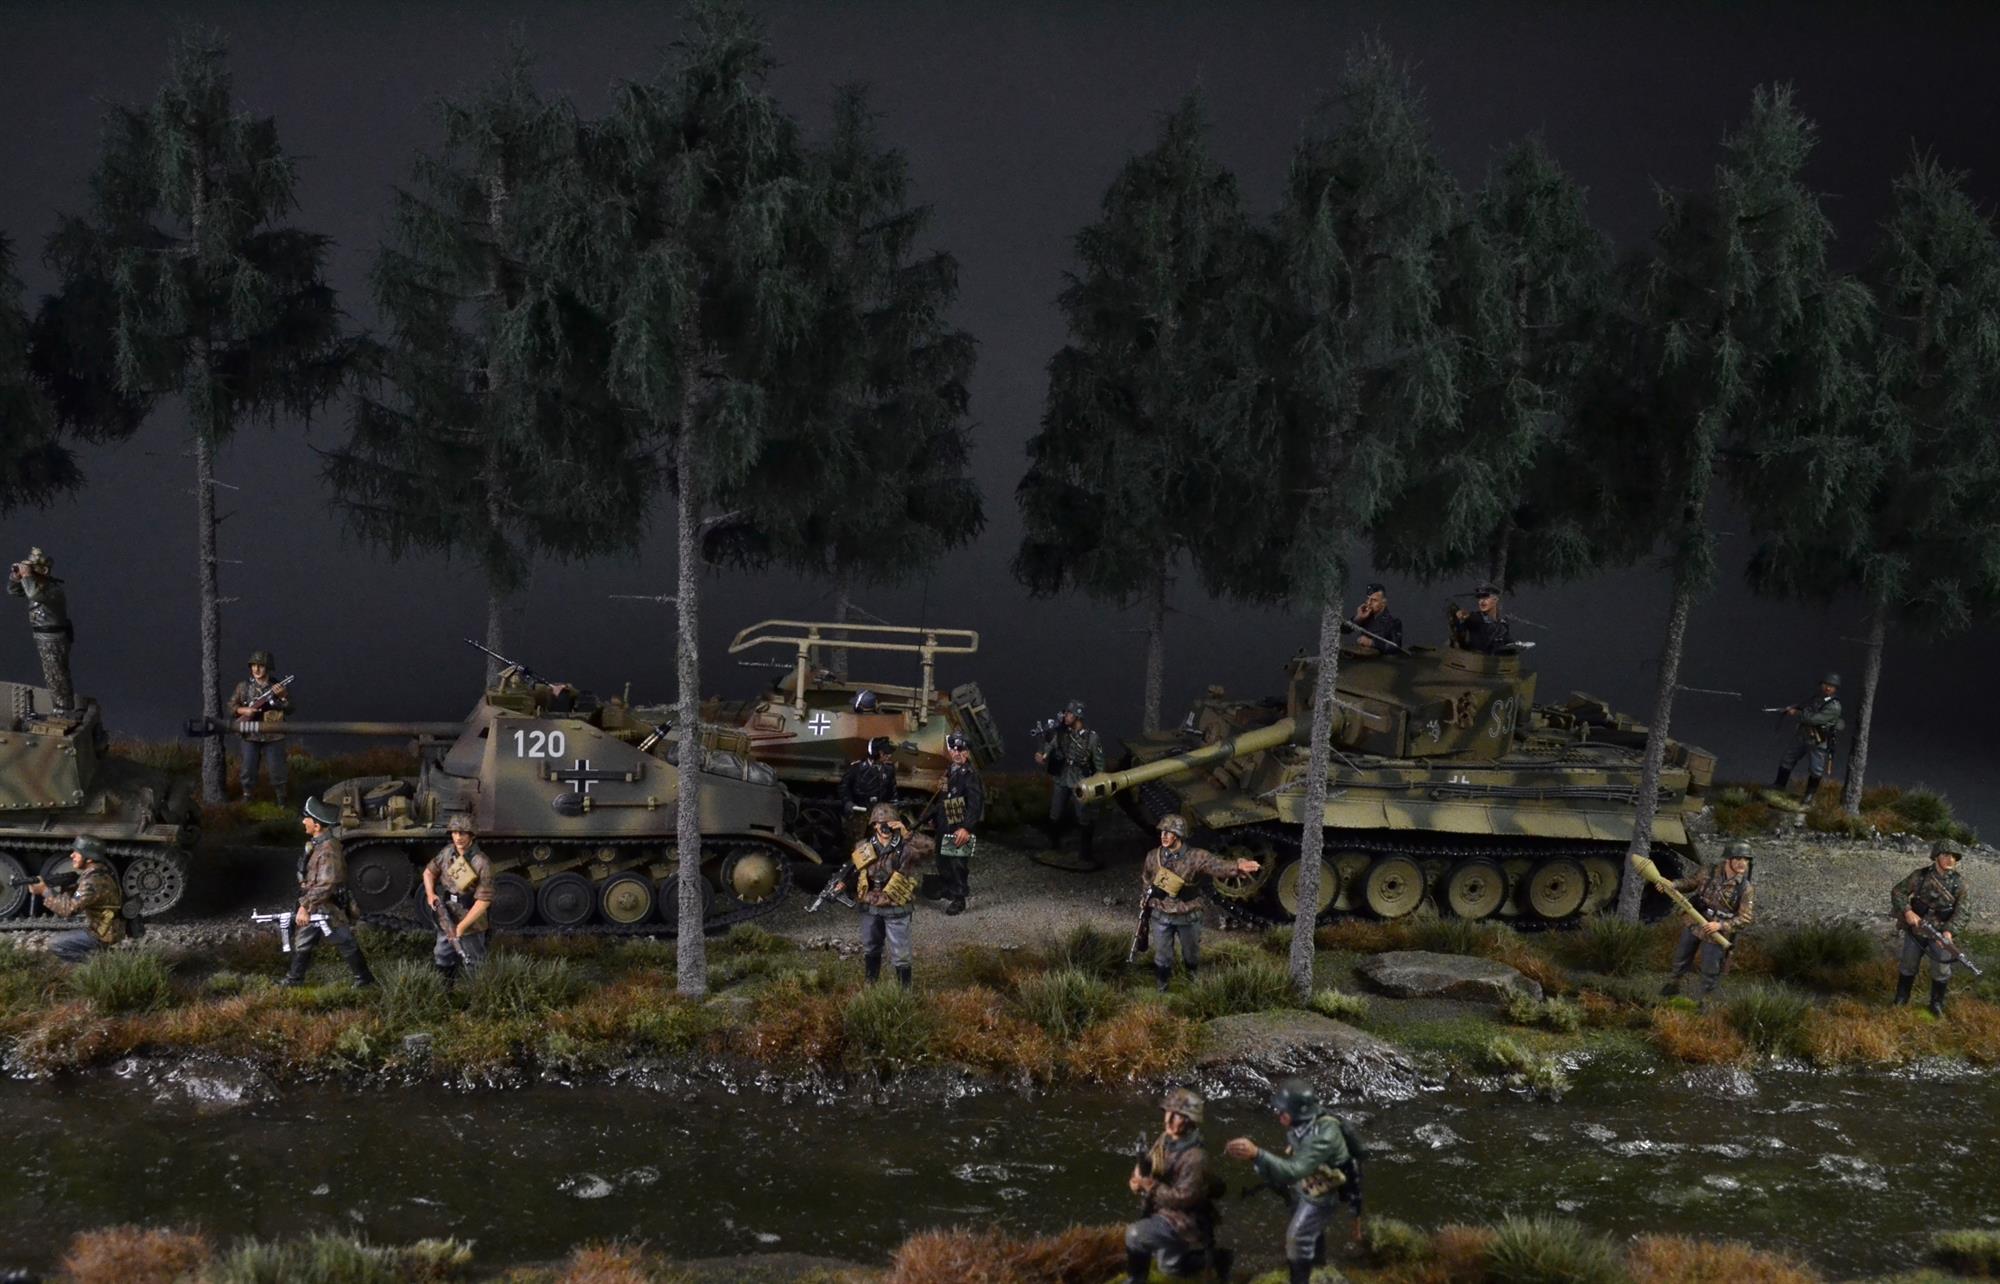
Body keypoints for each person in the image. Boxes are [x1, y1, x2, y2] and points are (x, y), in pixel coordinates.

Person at [1225, 1079, 1364, 1284]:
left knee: (1297, 1238)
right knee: (1300, 1215)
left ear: (1297, 1113)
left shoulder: (1323, 1136)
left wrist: (1257, 1154)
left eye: (1283, 1111)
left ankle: (1300, 1279)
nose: (1279, 1115)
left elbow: (1294, 1171)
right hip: (1309, 1182)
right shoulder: (1303, 1126)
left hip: (1325, 1191)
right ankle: (1316, 1264)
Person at [1123, 1086, 1231, 1284]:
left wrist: (1151, 1187)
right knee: (1171, 1267)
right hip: (1162, 1209)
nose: (1169, 1119)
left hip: (1184, 1218)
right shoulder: (1165, 1140)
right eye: (1168, 1112)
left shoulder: (1196, 1158)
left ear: (1189, 1121)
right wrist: (1137, 1177)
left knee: (1135, 1234)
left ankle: (1136, 1280)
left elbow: (1184, 1198)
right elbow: (1150, 1163)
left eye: (1177, 1115)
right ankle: (1217, 1259)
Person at [1143, 814, 1262, 992]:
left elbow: (1217, 866)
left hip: (1187, 914)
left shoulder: (1196, 857)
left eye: (1169, 832)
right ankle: (1162, 988)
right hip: (1161, 914)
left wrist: (1236, 866)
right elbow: (1146, 879)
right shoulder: (1154, 856)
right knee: (1162, 956)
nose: (1164, 836)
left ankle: (1192, 983)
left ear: (1178, 835)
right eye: (1162, 832)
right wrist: (1146, 899)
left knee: (1191, 954)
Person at [282, 795, 376, 988]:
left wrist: (304, 906)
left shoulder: (328, 850)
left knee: (344, 940)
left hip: (327, 906)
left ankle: (364, 979)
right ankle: (294, 980)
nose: (303, 822)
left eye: (307, 818)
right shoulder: (317, 845)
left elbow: (327, 884)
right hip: (315, 903)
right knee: (304, 940)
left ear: (317, 826)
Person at [850, 801, 935, 988]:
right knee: (870, 945)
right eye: (881, 823)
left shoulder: (907, 847)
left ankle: (904, 990)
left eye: (889, 823)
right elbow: (854, 870)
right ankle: (871, 983)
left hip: (896, 902)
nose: (885, 827)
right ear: (874, 825)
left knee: (900, 949)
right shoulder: (864, 846)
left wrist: (908, 835)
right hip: (870, 903)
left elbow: (930, 849)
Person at [1659, 840, 1755, 1003]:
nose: (1742, 863)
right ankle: (1673, 984)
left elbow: (1745, 918)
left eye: (1746, 859)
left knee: (1710, 968)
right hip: (1695, 921)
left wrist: (1721, 925)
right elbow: (1690, 883)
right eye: (1738, 858)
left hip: (1716, 932)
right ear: (1728, 859)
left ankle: (1705, 1000)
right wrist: (1673, 884)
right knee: (1681, 956)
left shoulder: (1745, 888)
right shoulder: (1709, 872)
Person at [1891, 840, 1969, 1017]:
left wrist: (1949, 932)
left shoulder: (1960, 884)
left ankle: (1936, 1003)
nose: (1950, 859)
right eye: (1946, 855)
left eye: (1954, 856)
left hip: (1940, 934)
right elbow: (1898, 892)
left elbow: (1963, 912)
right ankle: (1902, 998)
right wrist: (1908, 911)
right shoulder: (1920, 876)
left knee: (1941, 970)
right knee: (1908, 964)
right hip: (1917, 930)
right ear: (1936, 856)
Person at [1034, 699, 1106, 868]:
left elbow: (1100, 765)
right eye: (1066, 713)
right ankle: (1054, 847)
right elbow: (1050, 746)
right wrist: (1042, 755)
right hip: (1063, 777)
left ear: (1078, 717)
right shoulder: (1062, 733)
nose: (1065, 716)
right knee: (1055, 813)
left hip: (1081, 780)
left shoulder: (1092, 738)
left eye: (1069, 714)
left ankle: (1085, 854)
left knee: (1084, 817)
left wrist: (1098, 784)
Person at [31, 836, 124, 964]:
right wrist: (67, 887)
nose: (72, 855)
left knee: (55, 944)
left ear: (89, 858)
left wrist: (44, 891)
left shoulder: (91, 882)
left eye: (77, 853)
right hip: (109, 928)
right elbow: (80, 898)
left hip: (102, 934)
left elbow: (68, 910)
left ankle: (98, 963)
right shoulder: (102, 874)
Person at [423, 814, 493, 982]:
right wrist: (431, 894)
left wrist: (461, 927)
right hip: (448, 914)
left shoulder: (481, 862)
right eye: (454, 833)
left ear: (472, 835)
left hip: (470, 917)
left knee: (474, 959)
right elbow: (429, 872)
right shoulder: (447, 852)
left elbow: (483, 901)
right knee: (442, 953)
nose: (458, 837)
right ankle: (446, 986)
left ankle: (476, 991)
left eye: (463, 833)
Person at [7, 547, 74, 713]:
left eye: (33, 568)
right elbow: (13, 591)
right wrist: (16, 577)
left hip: (53, 637)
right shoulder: (37, 586)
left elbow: (33, 595)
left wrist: (27, 576)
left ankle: (63, 709)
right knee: (51, 673)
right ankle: (61, 707)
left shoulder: (53, 590)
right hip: (42, 636)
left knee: (56, 674)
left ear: (43, 570)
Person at [229, 649, 292, 803]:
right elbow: (231, 705)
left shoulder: (278, 687)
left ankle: (281, 798)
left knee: (277, 768)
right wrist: (244, 710)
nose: (256, 669)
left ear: (268, 667)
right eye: (254, 665)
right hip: (250, 734)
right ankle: (247, 795)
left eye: (261, 666)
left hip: (274, 734)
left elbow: (291, 709)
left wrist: (284, 697)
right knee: (248, 768)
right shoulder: (244, 687)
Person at [1773, 673, 1844, 806]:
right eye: (1826, 684)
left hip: (1818, 739)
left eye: (1832, 686)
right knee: (1787, 759)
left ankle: (1809, 796)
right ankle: (1779, 786)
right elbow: (1805, 706)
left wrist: (1797, 713)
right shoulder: (1817, 698)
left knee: (1816, 769)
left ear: (1835, 689)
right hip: (1803, 735)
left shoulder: (1834, 706)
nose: (1828, 688)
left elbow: (1813, 719)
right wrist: (1794, 707)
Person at [934, 731, 983, 916]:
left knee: (957, 863)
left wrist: (966, 828)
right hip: (946, 819)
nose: (957, 753)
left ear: (967, 752)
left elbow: (975, 804)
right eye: (954, 749)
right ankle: (948, 887)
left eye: (961, 750)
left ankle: (959, 898)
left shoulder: (970, 775)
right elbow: (943, 798)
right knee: (942, 858)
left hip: (959, 822)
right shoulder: (951, 770)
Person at [839, 735, 899, 846]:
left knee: (878, 843)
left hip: (879, 815)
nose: (888, 756)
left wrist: (893, 810)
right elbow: (844, 787)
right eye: (885, 753)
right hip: (860, 812)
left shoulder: (889, 769)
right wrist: (848, 803)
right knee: (855, 844)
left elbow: (892, 791)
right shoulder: (857, 768)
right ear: (877, 753)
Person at [1449, 583, 1511, 654]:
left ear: (1495, 599)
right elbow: (1460, 635)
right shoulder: (1473, 618)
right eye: (1480, 598)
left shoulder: (1503, 624)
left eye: (1485, 597)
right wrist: (1459, 618)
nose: (1481, 601)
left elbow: (1507, 644)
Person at [1346, 581, 1404, 654]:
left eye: (1374, 600)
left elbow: (1396, 648)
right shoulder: (1365, 616)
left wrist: (1372, 643)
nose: (1369, 603)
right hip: (1362, 656)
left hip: (1380, 660)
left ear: (1383, 603)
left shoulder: (1394, 622)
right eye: (1368, 599)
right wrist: (1357, 619)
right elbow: (1344, 630)